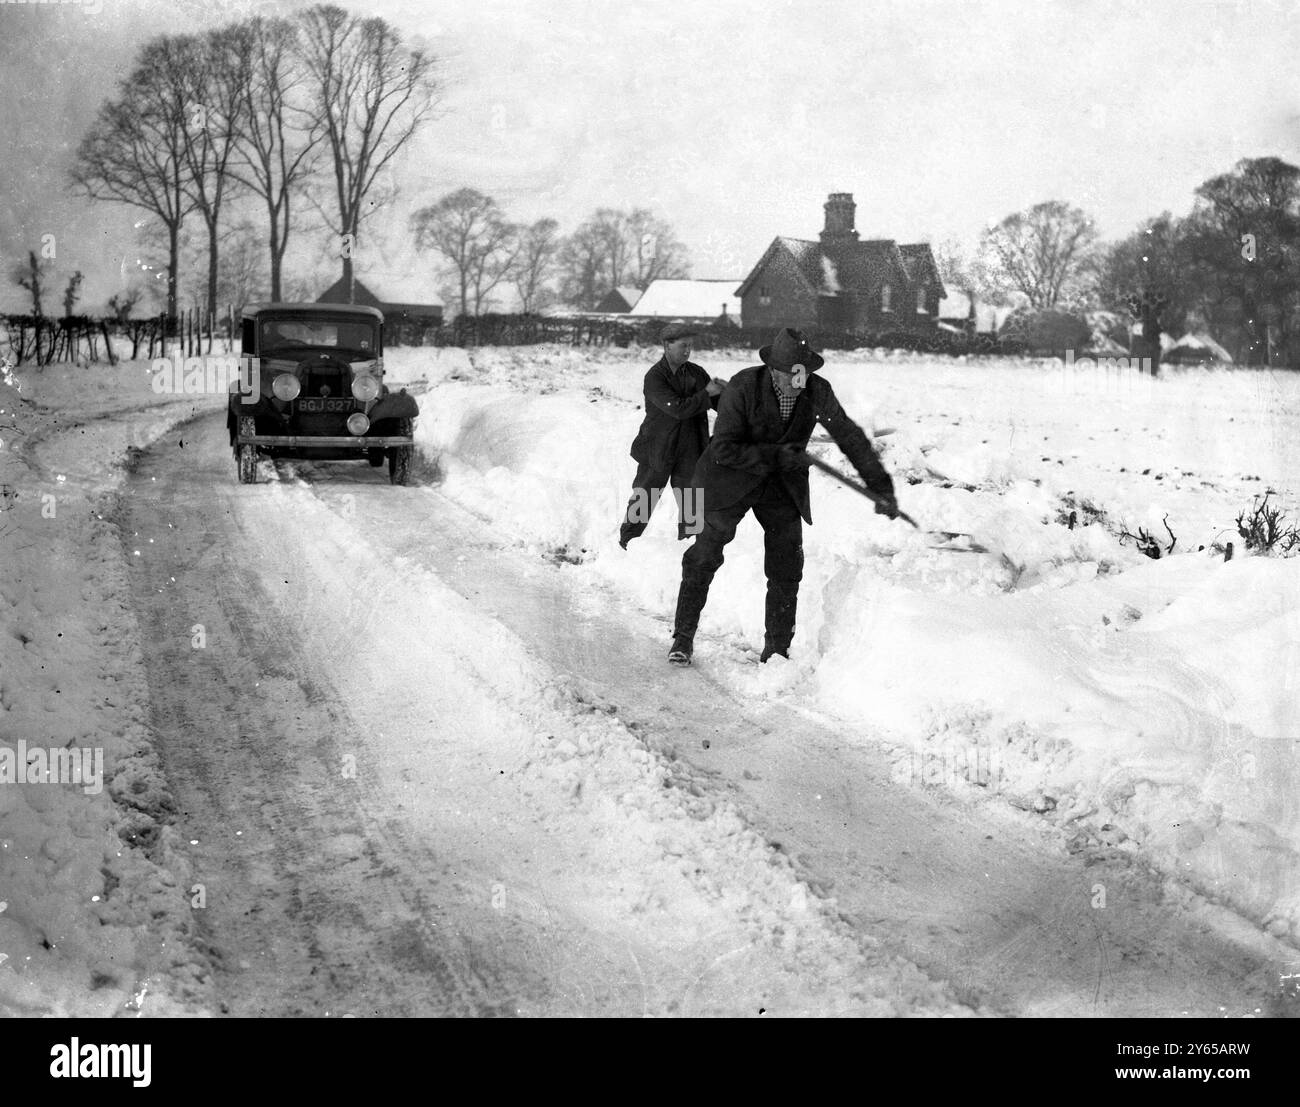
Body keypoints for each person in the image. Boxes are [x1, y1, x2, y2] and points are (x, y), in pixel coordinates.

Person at [668, 327, 899, 665]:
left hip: (781, 484)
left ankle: (776, 650)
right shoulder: (744, 387)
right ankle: (683, 638)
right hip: (731, 478)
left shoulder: (817, 390)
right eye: (793, 373)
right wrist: (777, 456)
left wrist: (881, 487)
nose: (800, 379)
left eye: (803, 372)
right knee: (704, 555)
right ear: (774, 370)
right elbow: (725, 448)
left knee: (787, 565)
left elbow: (849, 436)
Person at [619, 323, 728, 548]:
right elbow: (677, 408)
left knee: (692, 504)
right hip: (657, 449)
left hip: (690, 450)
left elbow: (719, 404)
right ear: (667, 345)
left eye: (690, 346)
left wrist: (727, 393)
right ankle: (626, 544)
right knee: (643, 499)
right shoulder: (655, 377)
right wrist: (707, 394)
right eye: (683, 346)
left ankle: (687, 549)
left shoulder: (697, 373)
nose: (688, 351)